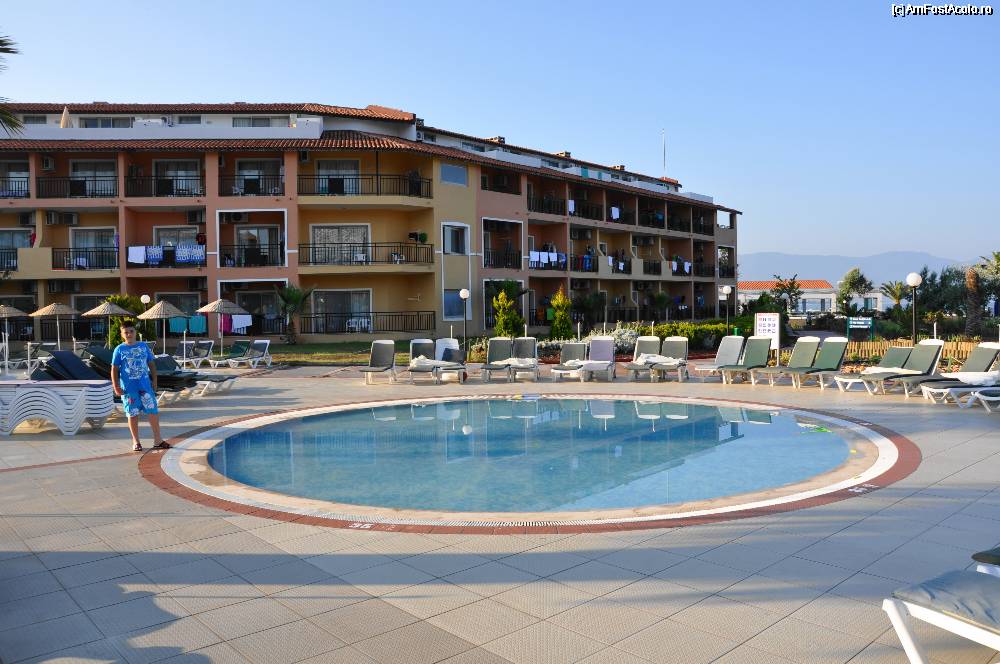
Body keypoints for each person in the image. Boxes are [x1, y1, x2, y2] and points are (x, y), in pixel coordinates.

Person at [111, 320, 166, 452]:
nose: (129, 334)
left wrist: (155, 380)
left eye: (131, 331)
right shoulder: (119, 349)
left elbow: (151, 364)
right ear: (122, 334)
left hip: (145, 387)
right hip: (129, 389)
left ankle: (158, 440)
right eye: (126, 332)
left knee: (153, 411)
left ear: (135, 332)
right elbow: (114, 369)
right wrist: (116, 386)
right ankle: (136, 441)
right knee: (132, 414)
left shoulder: (143, 346)